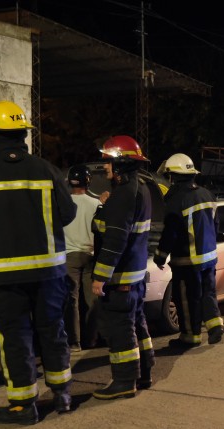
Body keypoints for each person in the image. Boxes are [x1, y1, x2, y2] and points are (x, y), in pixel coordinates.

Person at [0, 100, 77, 425]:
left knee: (15, 337)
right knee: (53, 330)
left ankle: (24, 406)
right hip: (50, 272)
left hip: (4, 276)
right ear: (24, 133)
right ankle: (63, 395)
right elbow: (68, 213)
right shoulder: (46, 169)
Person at [90, 135, 155, 400]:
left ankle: (124, 381)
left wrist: (100, 277)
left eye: (108, 163)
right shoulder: (141, 189)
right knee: (137, 325)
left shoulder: (123, 196)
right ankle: (144, 373)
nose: (105, 168)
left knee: (120, 330)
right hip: (136, 275)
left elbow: (115, 239)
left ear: (120, 165)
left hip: (120, 278)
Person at [153, 153, 224, 347]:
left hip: (187, 260)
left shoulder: (176, 200)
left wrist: (160, 256)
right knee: (208, 292)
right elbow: (215, 224)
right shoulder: (206, 194)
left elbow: (171, 233)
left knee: (185, 297)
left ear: (173, 177)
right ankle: (215, 327)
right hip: (209, 257)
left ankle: (190, 337)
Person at [63, 164, 107, 352]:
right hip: (90, 255)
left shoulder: (63, 203)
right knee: (92, 300)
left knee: (71, 301)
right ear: (88, 181)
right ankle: (91, 339)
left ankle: (74, 342)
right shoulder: (96, 203)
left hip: (69, 257)